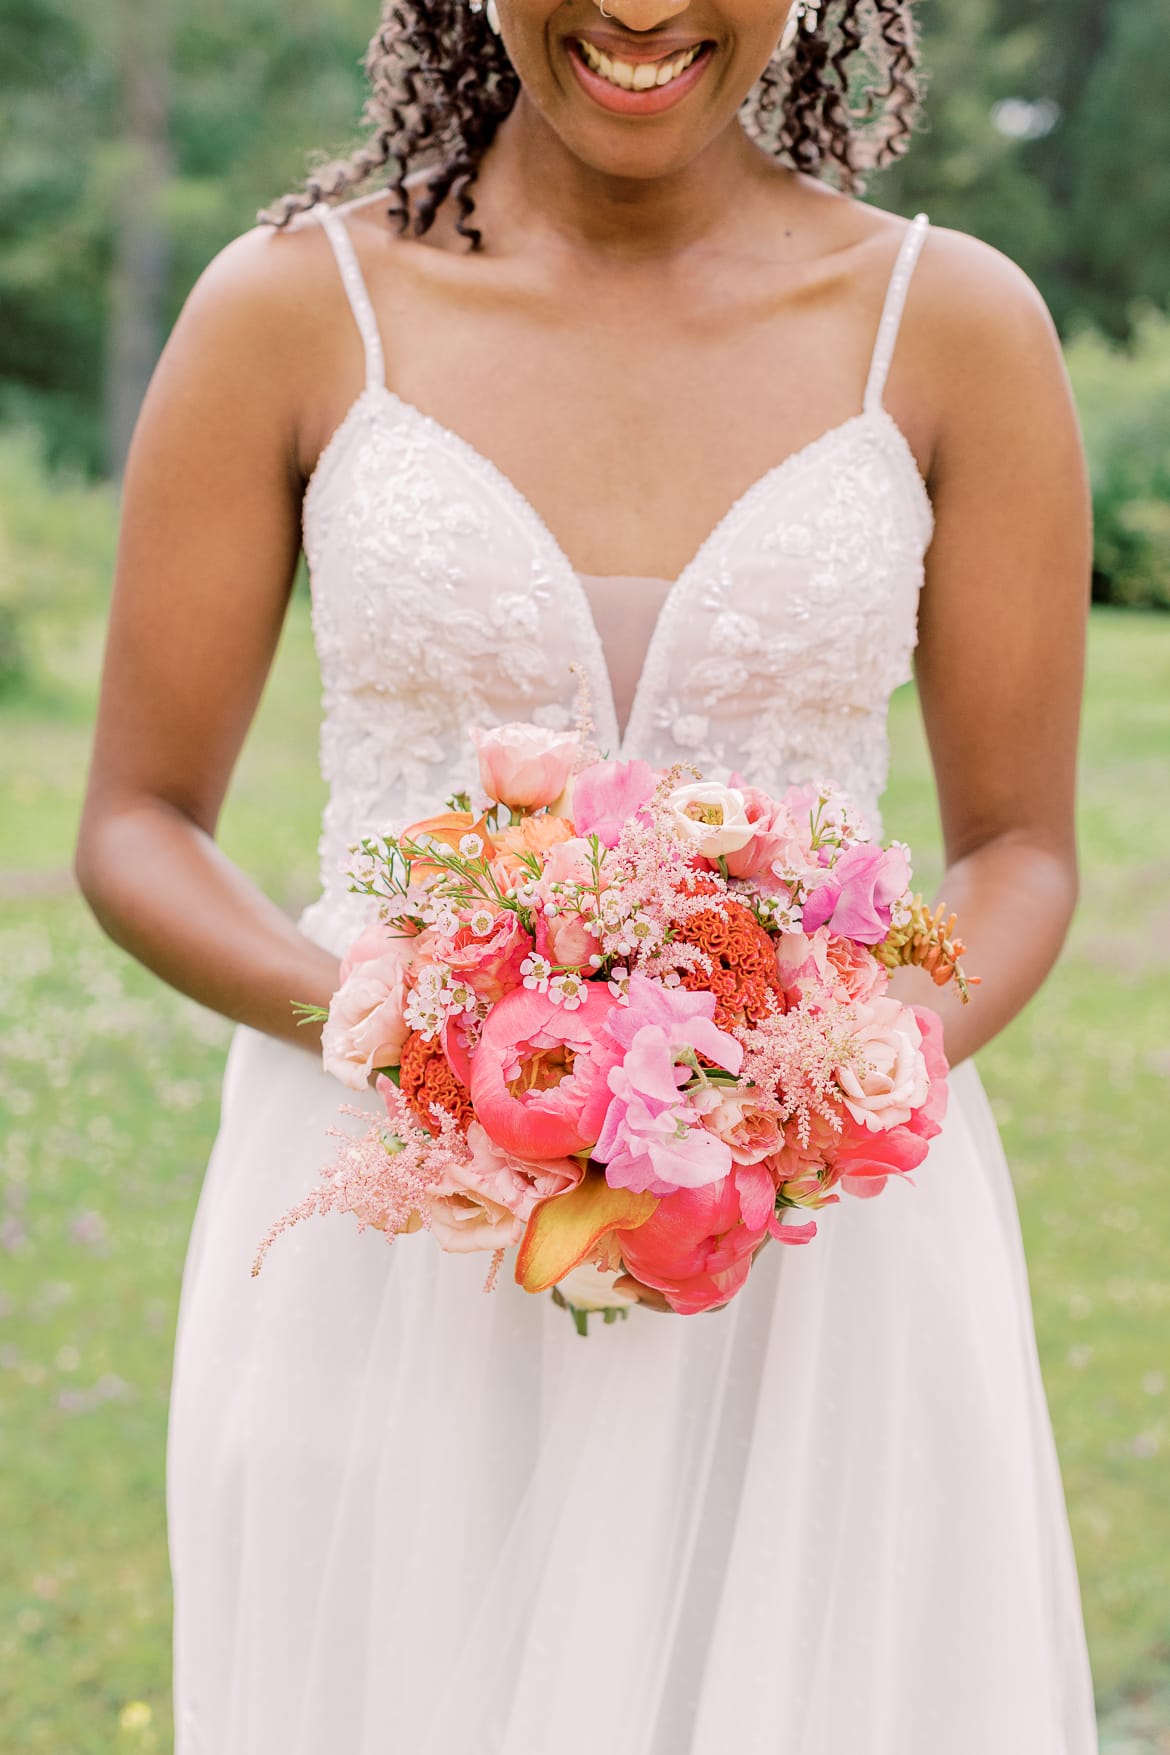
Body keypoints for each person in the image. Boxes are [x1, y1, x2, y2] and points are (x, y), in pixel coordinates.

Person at [75, 0, 1099, 1748]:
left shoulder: (954, 324)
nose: (636, 8)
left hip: (816, 1241)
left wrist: (818, 1095)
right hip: (390, 1225)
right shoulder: (290, 310)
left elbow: (1019, 849)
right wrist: (421, 1045)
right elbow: (135, 821)